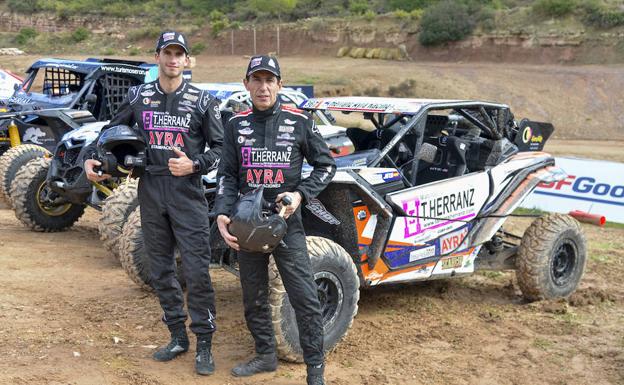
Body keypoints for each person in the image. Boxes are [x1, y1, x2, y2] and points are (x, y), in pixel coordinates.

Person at [84, 31, 223, 376]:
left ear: (188, 61)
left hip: (187, 192)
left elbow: (221, 150)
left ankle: (204, 343)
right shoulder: (139, 95)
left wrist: (195, 165)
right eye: (167, 53)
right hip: (150, 187)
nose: (173, 60)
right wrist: (92, 159)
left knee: (196, 270)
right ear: (158, 57)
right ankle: (177, 337)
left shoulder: (202, 100)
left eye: (180, 54)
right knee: (160, 268)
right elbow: (109, 134)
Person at [214, 55, 336, 385]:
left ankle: (315, 368)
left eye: (270, 80)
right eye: (257, 79)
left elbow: (326, 166)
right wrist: (222, 214)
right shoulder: (235, 125)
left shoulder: (299, 122)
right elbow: (225, 175)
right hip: (246, 224)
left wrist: (300, 194)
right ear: (246, 84)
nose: (263, 87)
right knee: (253, 295)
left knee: (305, 297)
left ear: (280, 85)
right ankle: (265, 356)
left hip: (286, 223)